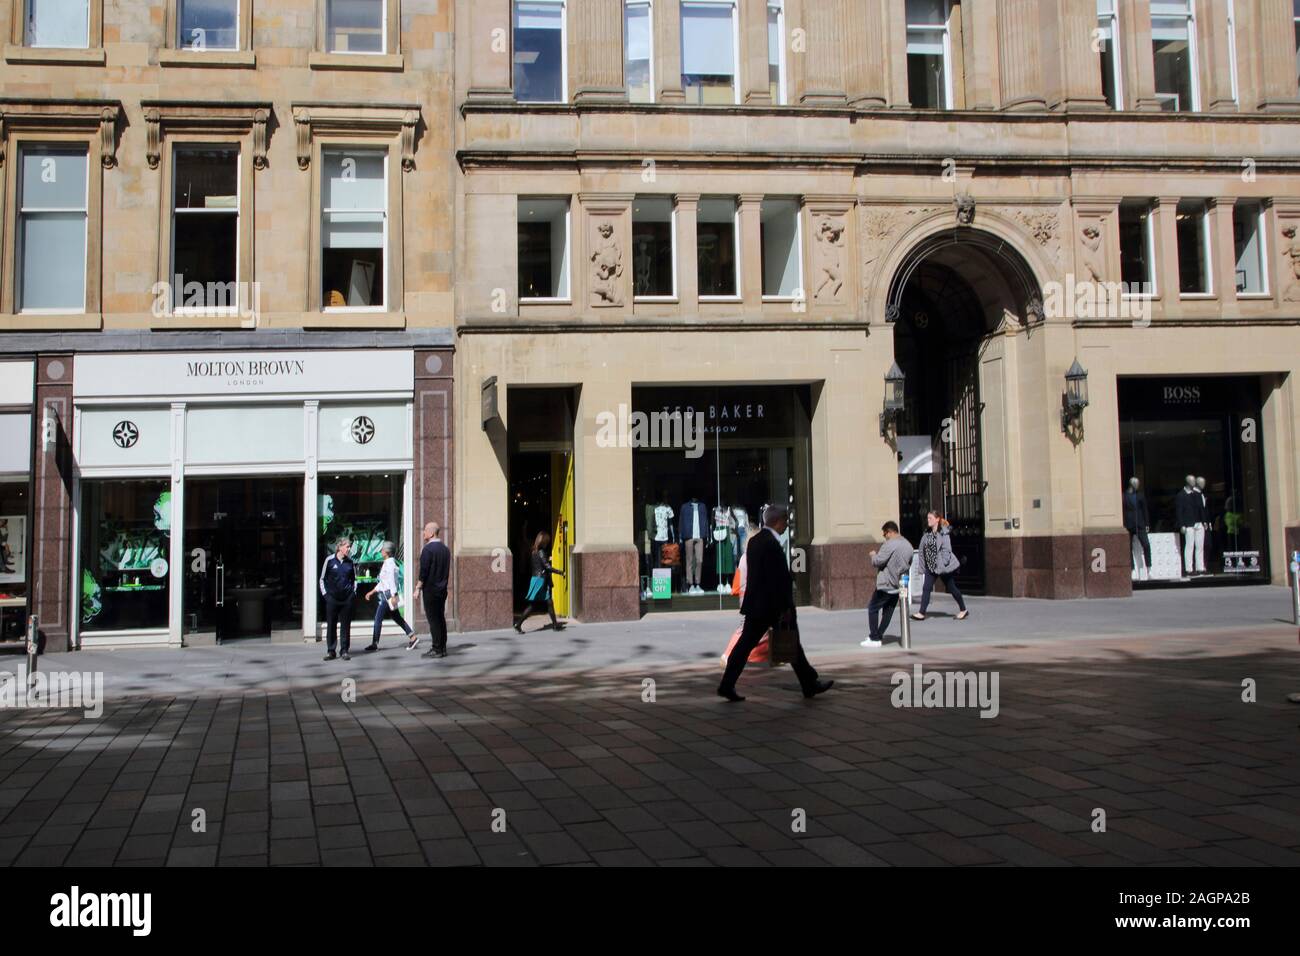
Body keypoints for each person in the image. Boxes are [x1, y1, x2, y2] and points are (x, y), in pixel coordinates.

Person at [717, 505, 832, 703]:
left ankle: (808, 683)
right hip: (773, 606)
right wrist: (786, 607)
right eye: (785, 521)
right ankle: (809, 683)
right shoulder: (770, 543)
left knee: (752, 645)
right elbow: (777, 579)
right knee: (788, 642)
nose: (787, 525)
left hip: (758, 605)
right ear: (777, 521)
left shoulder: (755, 541)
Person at [720, 522, 770, 666]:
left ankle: (761, 655)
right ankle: (729, 655)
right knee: (746, 629)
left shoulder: (744, 557)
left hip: (747, 598)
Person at [862, 521, 914, 648]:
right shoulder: (908, 545)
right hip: (899, 585)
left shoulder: (889, 544)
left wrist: (873, 555)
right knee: (888, 612)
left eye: (885, 534)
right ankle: (878, 636)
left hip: (886, 583)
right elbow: (909, 562)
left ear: (890, 532)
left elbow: (878, 561)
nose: (884, 536)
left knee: (873, 608)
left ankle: (874, 638)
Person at [912, 511, 969, 621]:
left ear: (937, 519)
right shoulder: (927, 533)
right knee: (926, 588)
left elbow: (947, 550)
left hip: (942, 567)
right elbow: (922, 551)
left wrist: (943, 563)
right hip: (931, 567)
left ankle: (963, 609)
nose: (928, 520)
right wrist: (922, 566)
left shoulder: (944, 533)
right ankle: (921, 612)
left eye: (930, 518)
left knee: (952, 588)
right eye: (927, 518)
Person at [363, 541, 415, 652]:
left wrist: (394, 595)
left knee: (378, 619)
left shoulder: (390, 564)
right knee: (397, 618)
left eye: (382, 549)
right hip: (387, 595)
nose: (381, 551)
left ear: (386, 552)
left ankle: (374, 643)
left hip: (387, 596)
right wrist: (372, 592)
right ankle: (413, 637)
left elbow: (391, 582)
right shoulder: (387, 563)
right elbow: (383, 582)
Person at [514, 531, 564, 633]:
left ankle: (555, 625)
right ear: (544, 542)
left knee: (549, 602)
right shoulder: (541, 552)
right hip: (541, 580)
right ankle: (518, 624)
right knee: (534, 605)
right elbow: (547, 566)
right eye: (547, 541)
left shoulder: (534, 551)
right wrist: (560, 572)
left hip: (536, 579)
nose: (548, 543)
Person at [414, 522, 451, 659]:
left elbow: (424, 571)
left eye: (425, 531)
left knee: (433, 620)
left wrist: (418, 588)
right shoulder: (445, 549)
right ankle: (443, 647)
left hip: (430, 590)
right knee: (440, 618)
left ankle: (436, 649)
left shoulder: (428, 550)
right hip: (442, 589)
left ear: (431, 533)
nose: (423, 533)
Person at [319, 537, 357, 661]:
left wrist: (352, 594)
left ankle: (344, 650)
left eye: (349, 547)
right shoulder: (329, 561)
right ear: (339, 547)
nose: (349, 549)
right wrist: (326, 596)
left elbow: (354, 580)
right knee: (331, 625)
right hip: (332, 599)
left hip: (347, 599)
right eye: (347, 546)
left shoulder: (350, 562)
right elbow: (322, 579)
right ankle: (331, 651)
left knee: (345, 625)